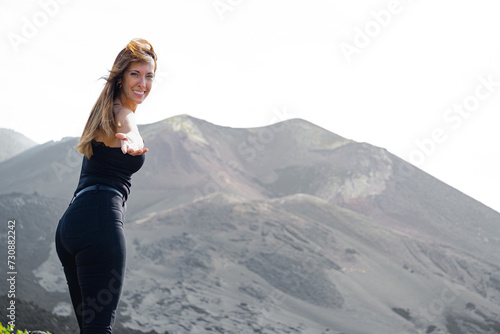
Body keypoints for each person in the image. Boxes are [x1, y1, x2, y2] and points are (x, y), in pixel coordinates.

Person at [55, 38, 157, 333]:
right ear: (121, 76)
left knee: (89, 328)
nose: (143, 83)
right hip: (100, 223)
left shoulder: (102, 112)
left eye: (149, 75)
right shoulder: (122, 115)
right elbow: (131, 133)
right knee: (99, 329)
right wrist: (135, 144)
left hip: (70, 226)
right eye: (135, 74)